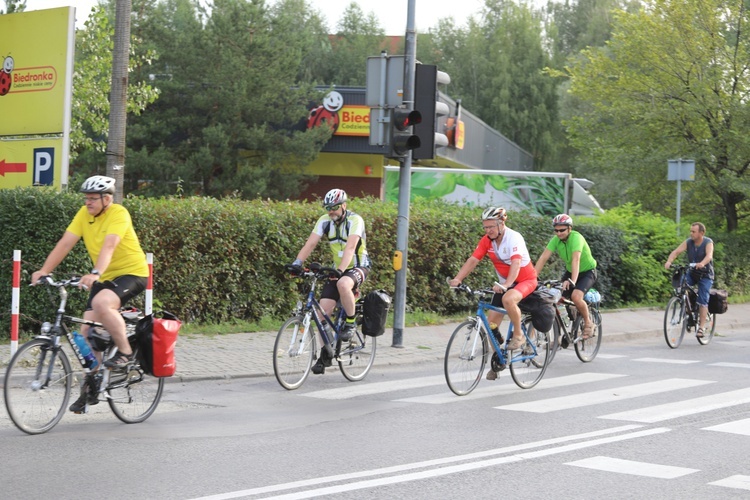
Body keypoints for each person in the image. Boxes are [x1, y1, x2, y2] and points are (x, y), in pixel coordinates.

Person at [31, 175, 149, 412]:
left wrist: (95, 272)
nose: (88, 203)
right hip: (104, 276)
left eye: (93, 198)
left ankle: (125, 351)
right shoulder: (84, 215)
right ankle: (91, 386)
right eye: (86, 198)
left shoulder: (118, 213)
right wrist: (44, 270)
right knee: (87, 332)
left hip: (132, 273)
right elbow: (65, 243)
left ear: (107, 198)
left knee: (102, 303)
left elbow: (109, 245)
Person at [449, 207, 538, 380]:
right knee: (491, 325)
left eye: (491, 226)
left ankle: (519, 335)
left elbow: (516, 263)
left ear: (501, 223)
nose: (488, 230)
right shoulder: (487, 240)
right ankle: (499, 360)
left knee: (508, 299)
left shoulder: (514, 238)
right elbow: (473, 259)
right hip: (504, 283)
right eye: (485, 227)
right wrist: (457, 279)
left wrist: (507, 284)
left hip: (525, 280)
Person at [289, 188, 371, 374]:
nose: (331, 211)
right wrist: (297, 263)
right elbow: (310, 243)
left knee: (343, 284)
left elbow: (350, 248)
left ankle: (350, 322)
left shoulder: (355, 220)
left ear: (343, 205)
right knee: (320, 315)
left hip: (358, 266)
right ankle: (327, 353)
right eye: (328, 208)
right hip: (338, 268)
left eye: (334, 207)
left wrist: (341, 271)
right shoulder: (325, 221)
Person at [534, 214, 598, 340]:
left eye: (562, 230)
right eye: (556, 230)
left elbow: (576, 260)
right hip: (570, 271)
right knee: (556, 297)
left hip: (587, 272)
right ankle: (558, 336)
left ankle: (589, 323)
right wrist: (532, 278)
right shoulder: (556, 240)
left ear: (569, 228)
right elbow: (543, 258)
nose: (558, 233)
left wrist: (572, 281)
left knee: (576, 296)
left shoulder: (576, 238)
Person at [664, 222, 714, 338]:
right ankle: (686, 309)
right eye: (690, 231)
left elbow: (709, 256)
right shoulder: (689, 242)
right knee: (680, 287)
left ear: (701, 233)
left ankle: (701, 328)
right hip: (692, 273)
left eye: (693, 232)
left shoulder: (708, 242)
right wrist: (669, 261)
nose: (691, 233)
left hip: (705, 275)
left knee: (702, 300)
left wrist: (702, 263)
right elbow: (676, 252)